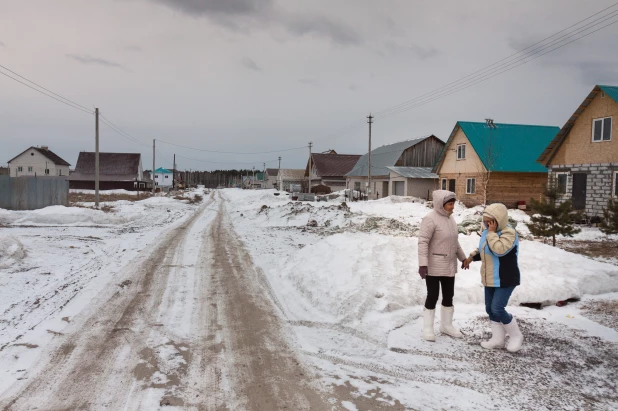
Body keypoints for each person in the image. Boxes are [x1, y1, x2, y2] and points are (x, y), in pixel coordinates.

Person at [462, 203, 524, 353]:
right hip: (490, 277)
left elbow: (499, 250)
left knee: (498, 308)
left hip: (505, 278)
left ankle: (516, 336)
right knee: (490, 309)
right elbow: (484, 248)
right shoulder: (488, 232)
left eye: (490, 221)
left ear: (498, 220)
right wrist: (471, 257)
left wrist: (491, 233)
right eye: (485, 221)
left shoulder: (509, 233)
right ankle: (498, 339)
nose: (486, 224)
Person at [418, 190, 467, 341]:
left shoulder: (450, 219)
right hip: (433, 266)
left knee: (448, 295)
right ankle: (428, 329)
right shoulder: (430, 219)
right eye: (450, 204)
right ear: (441, 204)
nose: (453, 207)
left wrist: (463, 258)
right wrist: (423, 264)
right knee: (432, 296)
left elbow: (454, 242)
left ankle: (446, 325)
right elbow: (423, 242)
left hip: (449, 265)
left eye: (453, 203)